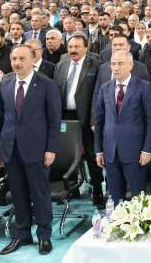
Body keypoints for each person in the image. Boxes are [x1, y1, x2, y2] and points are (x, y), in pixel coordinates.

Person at [0, 45, 61, 255]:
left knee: (39, 194)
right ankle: (22, 235)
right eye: (14, 59)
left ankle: (44, 236)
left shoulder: (46, 84)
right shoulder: (5, 82)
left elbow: (54, 120)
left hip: (37, 149)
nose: (17, 63)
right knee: (18, 194)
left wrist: (51, 148)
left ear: (33, 59)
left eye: (22, 58)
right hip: (10, 148)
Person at [93, 51, 151, 204]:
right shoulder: (105, 88)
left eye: (120, 64)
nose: (116, 67)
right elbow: (99, 121)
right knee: (115, 199)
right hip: (110, 152)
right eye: (113, 64)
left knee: (138, 199)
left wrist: (147, 149)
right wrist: (99, 150)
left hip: (135, 152)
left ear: (130, 65)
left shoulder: (144, 87)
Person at [53, 34, 104, 207]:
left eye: (77, 47)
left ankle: (97, 190)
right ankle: (71, 189)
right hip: (65, 117)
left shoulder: (97, 66)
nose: (73, 50)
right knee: (68, 154)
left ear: (86, 48)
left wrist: (94, 119)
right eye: (70, 47)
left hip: (87, 118)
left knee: (91, 155)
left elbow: (98, 95)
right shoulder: (61, 65)